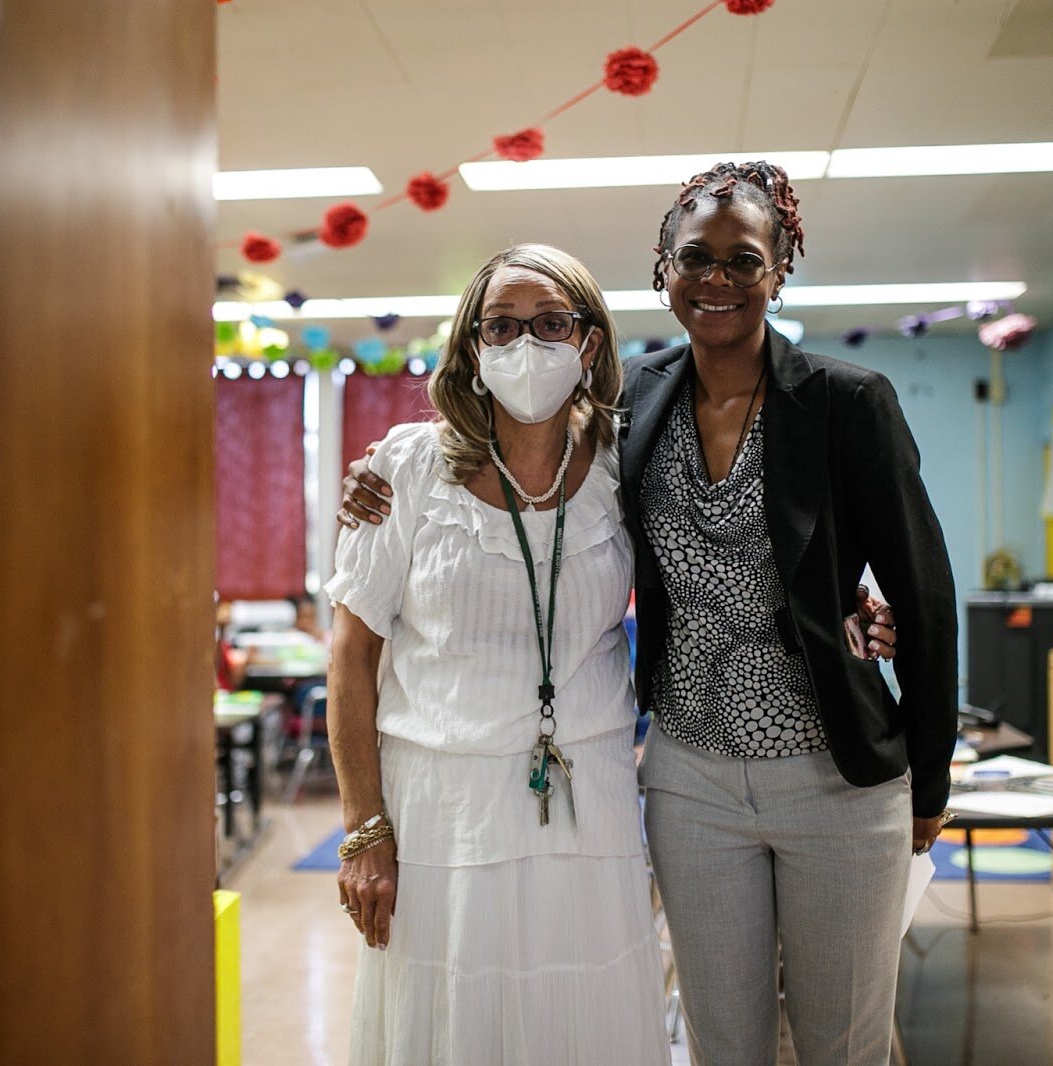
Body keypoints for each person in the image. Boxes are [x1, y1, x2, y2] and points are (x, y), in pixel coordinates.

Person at [340, 160, 954, 1066]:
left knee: (844, 1046)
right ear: (661, 270)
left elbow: (924, 597)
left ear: (779, 270)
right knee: (718, 1042)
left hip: (835, 773)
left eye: (743, 260)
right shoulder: (637, 403)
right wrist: (372, 476)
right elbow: (512, 454)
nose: (716, 279)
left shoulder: (844, 402)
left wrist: (929, 782)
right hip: (689, 778)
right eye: (694, 257)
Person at [324, 244, 670, 1064]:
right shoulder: (403, 469)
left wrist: (849, 603)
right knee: (454, 1019)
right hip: (442, 807)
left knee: (582, 1013)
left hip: (591, 802)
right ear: (473, 350)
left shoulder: (629, 459)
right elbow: (349, 659)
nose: (526, 345)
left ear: (588, 343)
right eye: (502, 327)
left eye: (551, 323)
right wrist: (363, 827)